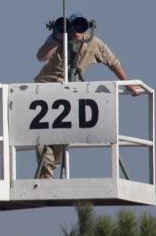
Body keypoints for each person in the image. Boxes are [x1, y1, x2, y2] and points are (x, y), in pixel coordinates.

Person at [34, 13, 140, 179]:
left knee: (63, 135)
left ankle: (48, 171)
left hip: (70, 93)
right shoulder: (56, 38)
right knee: (41, 134)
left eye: (81, 26)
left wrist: (128, 83)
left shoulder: (94, 43)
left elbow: (113, 62)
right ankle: (46, 175)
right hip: (45, 91)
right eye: (72, 26)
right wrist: (58, 38)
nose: (76, 31)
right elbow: (41, 56)